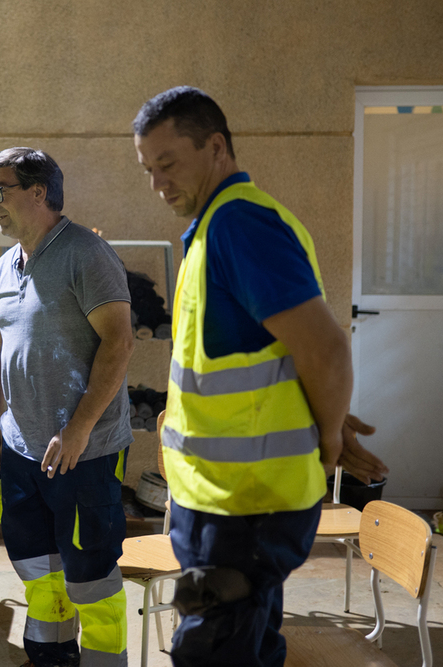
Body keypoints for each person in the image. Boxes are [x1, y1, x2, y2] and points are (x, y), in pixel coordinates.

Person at [132, 86, 389, 667]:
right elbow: (277, 358)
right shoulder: (213, 229)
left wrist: (326, 441)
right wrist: (319, 420)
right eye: (148, 169)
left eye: (168, 163)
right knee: (246, 646)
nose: (157, 183)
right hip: (228, 506)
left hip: (244, 510)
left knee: (213, 652)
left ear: (216, 146)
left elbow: (326, 351)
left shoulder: (239, 226)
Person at [0, 148, 135, 667]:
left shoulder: (87, 254)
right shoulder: (4, 265)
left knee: (90, 579)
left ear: (38, 191)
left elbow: (119, 342)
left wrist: (80, 427)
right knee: (38, 575)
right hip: (22, 451)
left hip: (83, 453)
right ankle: (49, 659)